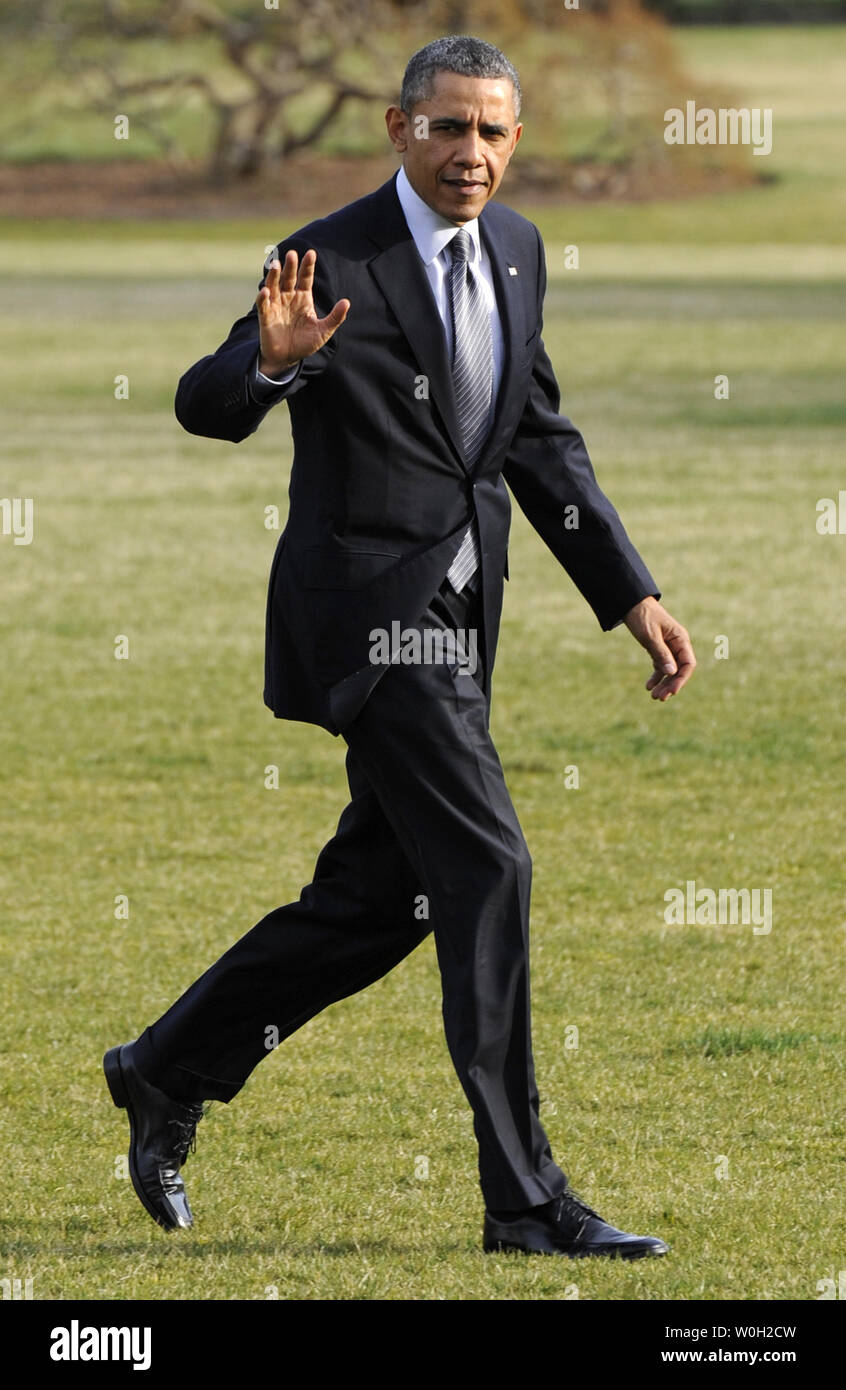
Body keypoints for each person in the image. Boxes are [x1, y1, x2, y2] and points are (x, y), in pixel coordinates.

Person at [104, 35, 695, 1260]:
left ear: (514, 143)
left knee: (382, 896)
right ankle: (527, 1202)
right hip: (374, 618)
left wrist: (627, 590)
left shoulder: (522, 252)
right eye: (446, 127)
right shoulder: (330, 257)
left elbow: (536, 440)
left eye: (491, 131)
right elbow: (204, 398)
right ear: (397, 128)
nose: (468, 152)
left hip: (465, 621)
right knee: (491, 868)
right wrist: (269, 366)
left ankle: (167, 1067)